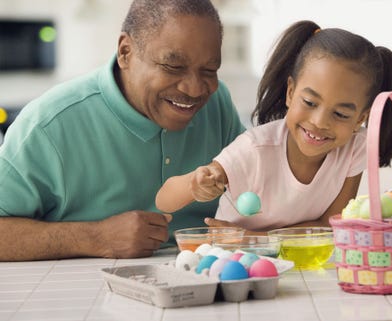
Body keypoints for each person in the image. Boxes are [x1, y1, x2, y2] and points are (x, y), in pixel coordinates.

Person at [0, 0, 245, 261]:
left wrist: (248, 229)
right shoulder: (48, 124)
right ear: (125, 52)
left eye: (209, 70)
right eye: (173, 67)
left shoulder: (217, 105)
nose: (195, 89)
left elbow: (259, 186)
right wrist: (95, 238)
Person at [155, 20, 392, 231]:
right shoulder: (255, 149)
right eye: (309, 102)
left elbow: (330, 227)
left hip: (300, 261)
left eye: (340, 114)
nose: (319, 122)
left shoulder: (355, 147)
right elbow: (164, 199)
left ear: (361, 118)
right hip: (234, 259)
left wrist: (258, 238)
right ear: (290, 92)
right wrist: (195, 185)